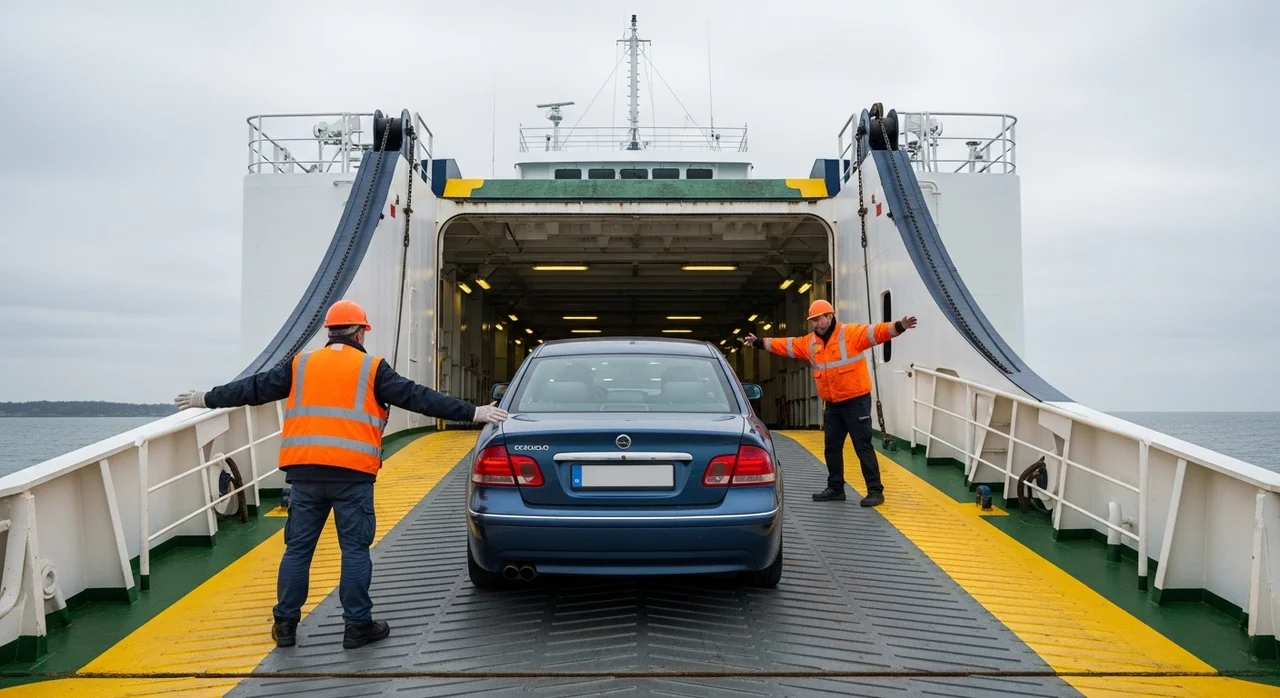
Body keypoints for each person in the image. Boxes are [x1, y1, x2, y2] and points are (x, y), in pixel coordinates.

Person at [173, 299, 508, 649]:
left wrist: (205, 398)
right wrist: (474, 412)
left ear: (329, 331)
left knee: (298, 551)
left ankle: (285, 626)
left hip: (304, 475)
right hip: (352, 476)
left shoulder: (300, 365)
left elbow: (253, 389)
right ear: (361, 332)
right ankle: (357, 626)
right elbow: (418, 397)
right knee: (354, 551)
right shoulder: (372, 368)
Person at [743, 299, 916, 506]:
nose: (816, 324)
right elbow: (786, 345)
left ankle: (875, 491)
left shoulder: (850, 334)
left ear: (830, 317)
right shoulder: (810, 343)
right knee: (832, 447)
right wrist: (760, 342)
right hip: (833, 404)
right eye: (813, 321)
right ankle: (835, 488)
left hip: (856, 401)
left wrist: (899, 326)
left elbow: (876, 333)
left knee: (862, 446)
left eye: (818, 319)